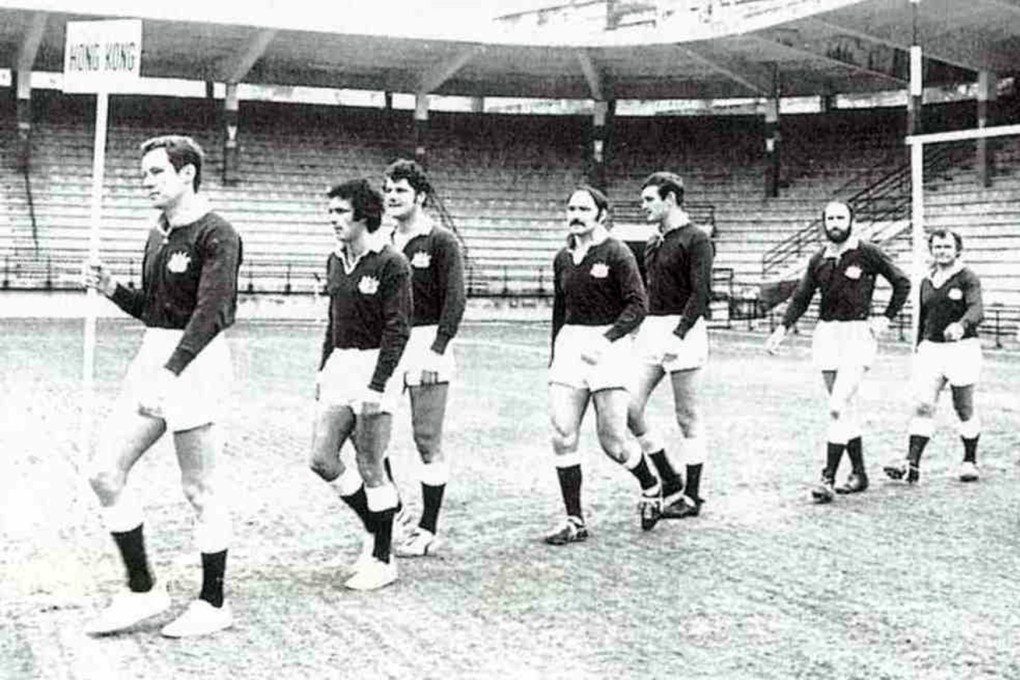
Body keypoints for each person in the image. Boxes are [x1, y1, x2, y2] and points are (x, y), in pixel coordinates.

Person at [82, 135, 242, 637]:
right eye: (143, 173)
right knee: (105, 473)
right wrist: (113, 289)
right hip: (156, 356)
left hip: (195, 364)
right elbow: (154, 312)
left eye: (155, 172)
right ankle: (142, 589)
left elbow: (210, 314)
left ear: (187, 173)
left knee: (199, 489)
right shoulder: (158, 233)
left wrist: (171, 375)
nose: (145, 181)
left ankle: (214, 603)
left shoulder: (218, 234)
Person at [765, 200, 910, 503]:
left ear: (851, 220)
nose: (835, 223)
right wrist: (782, 329)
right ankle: (859, 473)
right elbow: (801, 296)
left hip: (857, 334)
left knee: (836, 406)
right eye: (830, 218)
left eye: (840, 217)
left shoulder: (867, 252)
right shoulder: (819, 258)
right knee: (845, 407)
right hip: (827, 335)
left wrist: (885, 318)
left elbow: (902, 282)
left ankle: (827, 478)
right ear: (823, 222)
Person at [308, 178, 412, 590]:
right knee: (321, 458)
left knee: (371, 464)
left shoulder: (391, 263)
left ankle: (384, 559)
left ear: (363, 215)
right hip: (340, 366)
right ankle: (376, 526)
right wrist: (322, 369)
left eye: (340, 212)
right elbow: (334, 323)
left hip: (376, 369)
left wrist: (377, 385)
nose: (332, 219)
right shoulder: (336, 260)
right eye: (330, 211)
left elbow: (398, 329)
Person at [545, 185, 661, 545]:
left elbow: (638, 306)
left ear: (601, 214)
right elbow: (559, 312)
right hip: (570, 348)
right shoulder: (562, 258)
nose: (575, 214)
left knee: (612, 441)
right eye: (571, 208)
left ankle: (651, 483)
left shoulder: (617, 252)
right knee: (562, 434)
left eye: (583, 208)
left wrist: (606, 339)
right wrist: (555, 355)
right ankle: (574, 520)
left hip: (608, 347)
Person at [382, 160, 466, 558]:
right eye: (388, 190)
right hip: (385, 344)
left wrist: (438, 348)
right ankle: (395, 511)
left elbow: (455, 299)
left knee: (425, 438)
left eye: (400, 190)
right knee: (368, 434)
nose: (392, 197)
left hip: (427, 340)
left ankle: (428, 528)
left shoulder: (440, 240)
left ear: (420, 196)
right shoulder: (383, 241)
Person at [627, 172, 711, 520]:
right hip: (653, 329)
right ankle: (668, 475)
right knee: (628, 408)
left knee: (686, 416)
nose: (643, 206)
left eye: (649, 200)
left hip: (685, 330)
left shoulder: (697, 239)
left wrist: (679, 334)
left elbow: (700, 293)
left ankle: (691, 496)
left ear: (671, 199)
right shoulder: (653, 241)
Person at [884, 229, 984, 484]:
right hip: (931, 349)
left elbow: (976, 308)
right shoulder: (926, 280)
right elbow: (923, 319)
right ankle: (912, 464)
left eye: (947, 247)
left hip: (962, 349)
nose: (942, 251)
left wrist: (961, 325)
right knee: (923, 404)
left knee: (963, 408)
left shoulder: (967, 277)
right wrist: (919, 346)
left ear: (957, 249)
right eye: (937, 246)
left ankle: (969, 460)